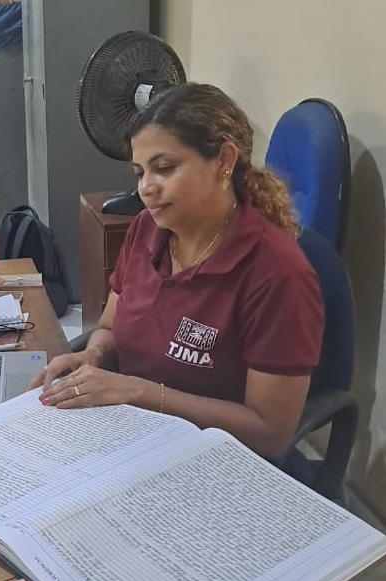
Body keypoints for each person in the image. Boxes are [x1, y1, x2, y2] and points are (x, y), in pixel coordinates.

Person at [29, 83, 323, 463]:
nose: (146, 188)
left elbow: (269, 435)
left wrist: (138, 392)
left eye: (164, 168)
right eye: (140, 172)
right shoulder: (145, 230)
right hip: (128, 437)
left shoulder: (278, 274)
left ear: (224, 160)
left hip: (215, 461)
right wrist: (95, 355)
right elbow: (108, 327)